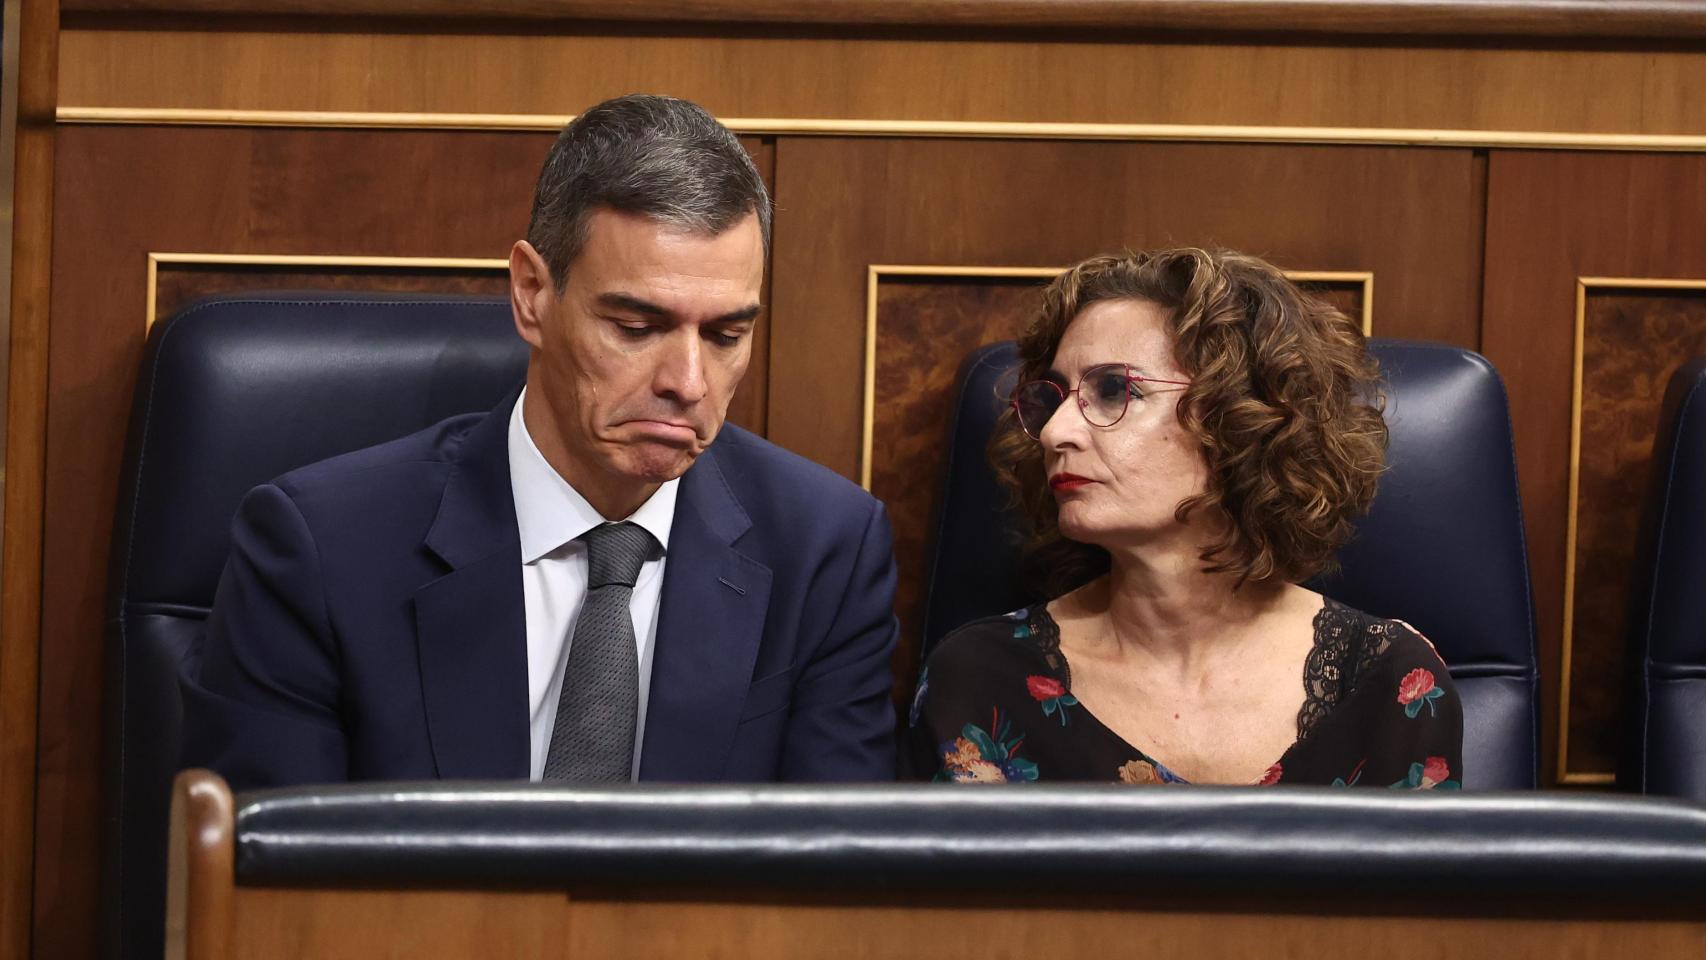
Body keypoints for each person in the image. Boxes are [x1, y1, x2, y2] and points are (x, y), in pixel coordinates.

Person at [181, 94, 900, 789]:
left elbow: (836, 887)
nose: (688, 381)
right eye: (636, 327)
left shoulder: (825, 550)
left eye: (725, 335)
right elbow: (268, 886)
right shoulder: (320, 549)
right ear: (531, 293)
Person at [905, 248, 1462, 788]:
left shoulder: (1388, 680)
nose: (1055, 432)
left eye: (1114, 389)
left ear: (1245, 418)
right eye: (1053, 400)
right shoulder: (979, 679)